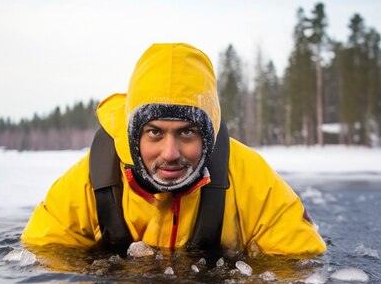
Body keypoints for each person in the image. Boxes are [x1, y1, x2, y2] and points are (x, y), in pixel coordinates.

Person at [21, 42, 326, 256]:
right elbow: (43, 259)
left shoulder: (252, 179)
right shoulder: (88, 182)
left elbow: (299, 263)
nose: (170, 152)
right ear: (132, 134)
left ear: (209, 134)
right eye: (155, 132)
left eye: (187, 132)